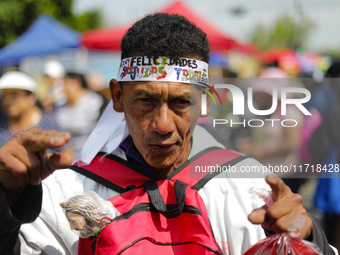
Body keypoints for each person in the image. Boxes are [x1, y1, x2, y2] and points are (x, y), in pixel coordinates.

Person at [0, 13, 336, 255]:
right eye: (145, 100)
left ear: (204, 103)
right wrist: (8, 200)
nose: (162, 124)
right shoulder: (67, 191)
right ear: (117, 97)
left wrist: (307, 237)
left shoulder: (249, 190)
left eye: (181, 102)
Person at [0, 71, 61, 148]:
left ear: (31, 97)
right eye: (5, 96)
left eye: (14, 95)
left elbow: (66, 155)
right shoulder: (2, 127)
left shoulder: (50, 125)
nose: (8, 101)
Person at [54, 72, 105, 159]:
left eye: (65, 84)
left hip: (90, 155)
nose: (62, 88)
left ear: (76, 82)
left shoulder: (95, 102)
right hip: (63, 155)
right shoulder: (58, 104)